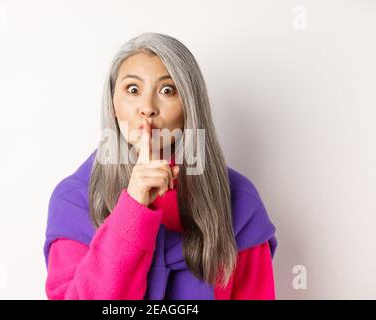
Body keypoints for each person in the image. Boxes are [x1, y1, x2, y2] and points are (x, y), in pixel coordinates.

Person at [43, 32, 277, 300]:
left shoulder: (239, 200)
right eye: (133, 89)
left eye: (167, 90)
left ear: (190, 104)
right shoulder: (73, 199)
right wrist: (133, 207)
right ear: (113, 103)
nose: (147, 108)